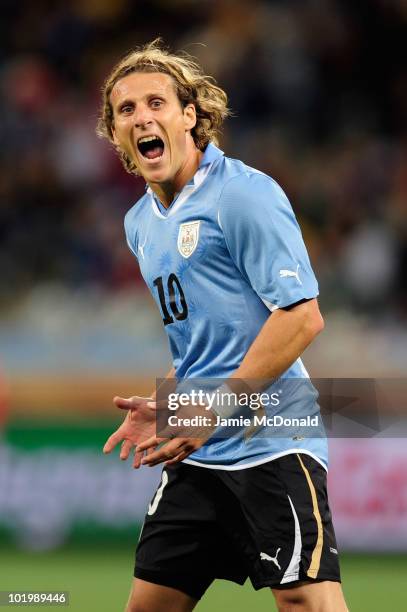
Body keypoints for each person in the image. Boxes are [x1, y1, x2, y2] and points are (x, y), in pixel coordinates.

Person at [97, 39, 348, 612]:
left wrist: (213, 408)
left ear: (190, 115)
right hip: (201, 453)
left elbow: (302, 317)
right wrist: (173, 406)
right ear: (114, 133)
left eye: (156, 102)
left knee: (308, 604)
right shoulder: (141, 223)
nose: (142, 118)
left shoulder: (243, 195)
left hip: (273, 442)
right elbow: (204, 342)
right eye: (126, 110)